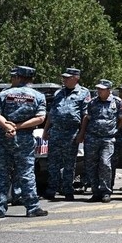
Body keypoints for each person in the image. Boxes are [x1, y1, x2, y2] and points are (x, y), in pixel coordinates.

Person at [0, 65, 48, 218]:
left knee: (1, 172)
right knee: (26, 172)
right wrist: (18, 127)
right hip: (25, 138)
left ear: (19, 77)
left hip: (5, 137)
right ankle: (32, 208)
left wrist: (8, 126)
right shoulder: (38, 96)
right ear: (31, 78)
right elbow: (40, 118)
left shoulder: (5, 94)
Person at [43, 67, 90, 201]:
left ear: (76, 78)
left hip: (71, 132)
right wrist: (46, 130)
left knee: (69, 164)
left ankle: (68, 190)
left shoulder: (83, 93)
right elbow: (51, 113)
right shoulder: (59, 92)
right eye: (64, 77)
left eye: (67, 78)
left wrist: (81, 133)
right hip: (56, 132)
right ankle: (52, 189)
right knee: (53, 163)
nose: (64, 80)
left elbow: (85, 116)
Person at [76, 79, 122, 203]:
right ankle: (95, 191)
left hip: (107, 139)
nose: (99, 91)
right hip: (92, 138)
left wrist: (116, 130)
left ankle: (106, 191)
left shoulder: (117, 102)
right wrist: (82, 133)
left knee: (105, 163)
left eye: (102, 89)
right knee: (91, 165)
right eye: (98, 89)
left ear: (109, 90)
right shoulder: (92, 102)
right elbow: (86, 118)